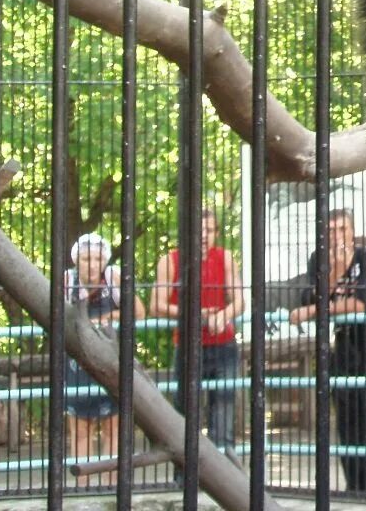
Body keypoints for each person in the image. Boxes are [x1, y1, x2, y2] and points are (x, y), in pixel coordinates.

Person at [289, 209, 366, 494]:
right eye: (330, 230)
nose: (336, 235)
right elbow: (309, 294)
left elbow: (364, 301)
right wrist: (333, 274)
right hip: (342, 348)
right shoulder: (319, 260)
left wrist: (312, 311)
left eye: (342, 229)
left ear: (352, 232)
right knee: (346, 423)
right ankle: (355, 488)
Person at [151, 208, 245, 457]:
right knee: (185, 415)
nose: (204, 235)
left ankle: (226, 482)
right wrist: (199, 313)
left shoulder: (225, 258)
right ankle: (185, 479)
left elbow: (239, 300)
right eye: (199, 230)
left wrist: (224, 315)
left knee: (223, 415)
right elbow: (156, 305)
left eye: (210, 230)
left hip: (224, 345)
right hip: (188, 346)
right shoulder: (170, 261)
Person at [64, 231, 146, 486]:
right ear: (77, 260)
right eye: (87, 258)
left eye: (98, 259)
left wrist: (105, 319)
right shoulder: (67, 280)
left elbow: (139, 313)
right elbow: (57, 316)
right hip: (77, 363)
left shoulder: (114, 278)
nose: (92, 264)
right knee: (80, 430)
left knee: (115, 428)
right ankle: (83, 490)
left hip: (112, 359)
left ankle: (114, 488)